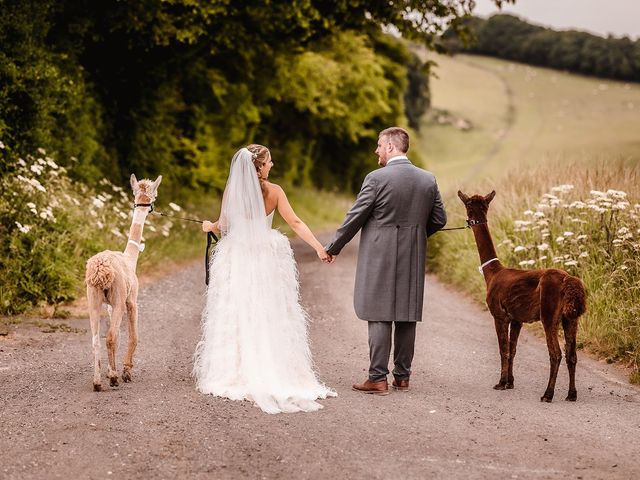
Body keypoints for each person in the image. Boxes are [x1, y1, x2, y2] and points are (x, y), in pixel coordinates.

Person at [193, 144, 336, 413]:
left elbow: (222, 226)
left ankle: (236, 369)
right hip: (265, 257)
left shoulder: (232, 191)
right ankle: (274, 366)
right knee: (269, 311)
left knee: (238, 311)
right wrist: (319, 247)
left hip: (237, 257)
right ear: (260, 166)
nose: (272, 165)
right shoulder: (275, 192)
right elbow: (295, 223)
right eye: (269, 161)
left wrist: (207, 226)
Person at [325, 127, 447, 395]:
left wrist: (334, 247)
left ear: (391, 147)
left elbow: (356, 216)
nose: (376, 151)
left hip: (380, 255)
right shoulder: (428, 179)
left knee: (380, 313)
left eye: (379, 146)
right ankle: (402, 377)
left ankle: (377, 378)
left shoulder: (376, 178)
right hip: (413, 254)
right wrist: (415, 234)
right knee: (406, 314)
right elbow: (439, 219)